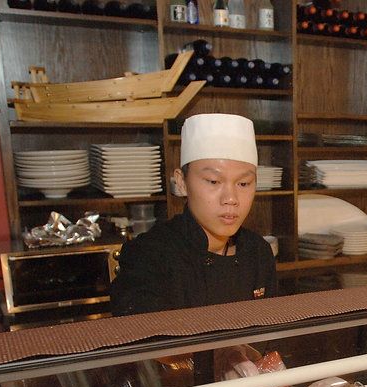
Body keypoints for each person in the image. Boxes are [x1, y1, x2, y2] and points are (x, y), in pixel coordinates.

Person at [111, 113, 277, 316]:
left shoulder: (258, 252)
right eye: (213, 181)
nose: (231, 198)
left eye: (243, 183)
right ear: (181, 182)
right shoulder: (149, 256)